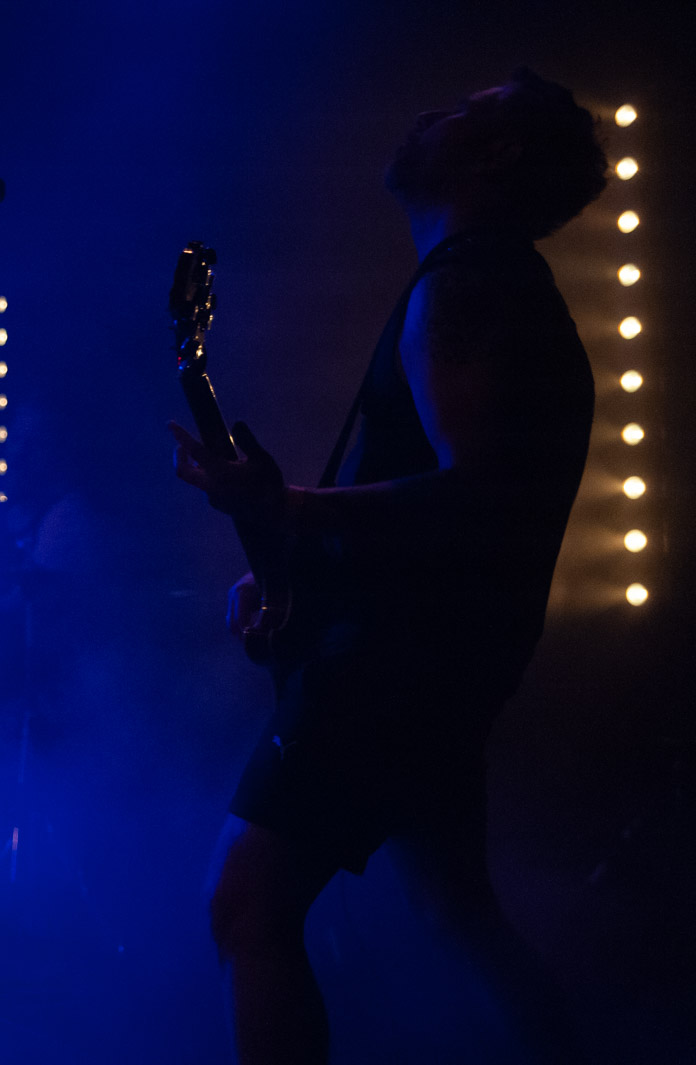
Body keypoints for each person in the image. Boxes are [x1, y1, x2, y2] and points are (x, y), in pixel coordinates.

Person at [169, 68, 605, 1063]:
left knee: (248, 907)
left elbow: (480, 497)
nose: (431, 115)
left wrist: (287, 508)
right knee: (461, 917)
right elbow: (452, 508)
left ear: (495, 153)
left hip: (393, 669)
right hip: (432, 663)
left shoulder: (471, 285)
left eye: (465, 111)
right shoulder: (476, 283)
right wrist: (296, 570)